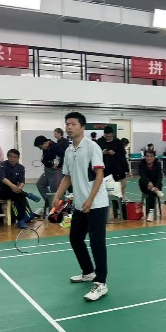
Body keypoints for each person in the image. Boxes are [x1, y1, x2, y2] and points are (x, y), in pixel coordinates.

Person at [53, 112, 110, 302]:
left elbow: (99, 175)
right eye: (67, 124)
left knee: (97, 242)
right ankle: (88, 272)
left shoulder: (92, 147)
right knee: (76, 239)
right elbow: (67, 176)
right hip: (80, 204)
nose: (69, 127)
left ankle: (101, 283)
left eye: (73, 124)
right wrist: (57, 195)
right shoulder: (69, 151)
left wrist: (90, 200)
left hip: (97, 204)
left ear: (82, 127)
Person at [0, 149, 40, 229]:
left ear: (18, 158)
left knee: (21, 198)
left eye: (15, 157)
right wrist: (12, 186)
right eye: (11, 157)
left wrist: (19, 188)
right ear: (8, 157)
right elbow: (2, 178)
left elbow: (22, 181)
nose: (12, 159)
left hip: (15, 191)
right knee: (9, 189)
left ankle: (21, 220)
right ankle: (27, 194)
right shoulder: (2, 165)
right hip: (2, 190)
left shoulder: (21, 168)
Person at [34, 135, 66, 206]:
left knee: (56, 191)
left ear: (45, 143)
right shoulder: (46, 147)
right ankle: (49, 204)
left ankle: (60, 208)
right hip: (47, 171)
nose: (40, 149)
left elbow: (64, 156)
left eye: (40, 147)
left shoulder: (56, 147)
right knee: (40, 185)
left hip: (55, 172)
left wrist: (59, 165)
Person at [96, 126, 128, 198]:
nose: (108, 138)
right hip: (104, 168)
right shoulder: (100, 142)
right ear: (104, 135)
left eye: (110, 136)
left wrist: (114, 153)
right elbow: (95, 153)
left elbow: (122, 155)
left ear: (112, 134)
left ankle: (120, 199)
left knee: (119, 186)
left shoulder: (118, 142)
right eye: (106, 136)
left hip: (116, 168)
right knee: (104, 187)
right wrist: (102, 152)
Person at [138, 150, 164, 222]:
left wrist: (156, 187)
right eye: (147, 156)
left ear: (154, 157)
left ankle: (151, 212)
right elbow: (142, 175)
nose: (149, 158)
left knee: (152, 192)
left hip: (155, 185)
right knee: (142, 180)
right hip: (145, 185)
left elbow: (159, 177)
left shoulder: (157, 164)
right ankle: (155, 191)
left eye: (151, 156)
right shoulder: (141, 164)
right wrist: (148, 182)